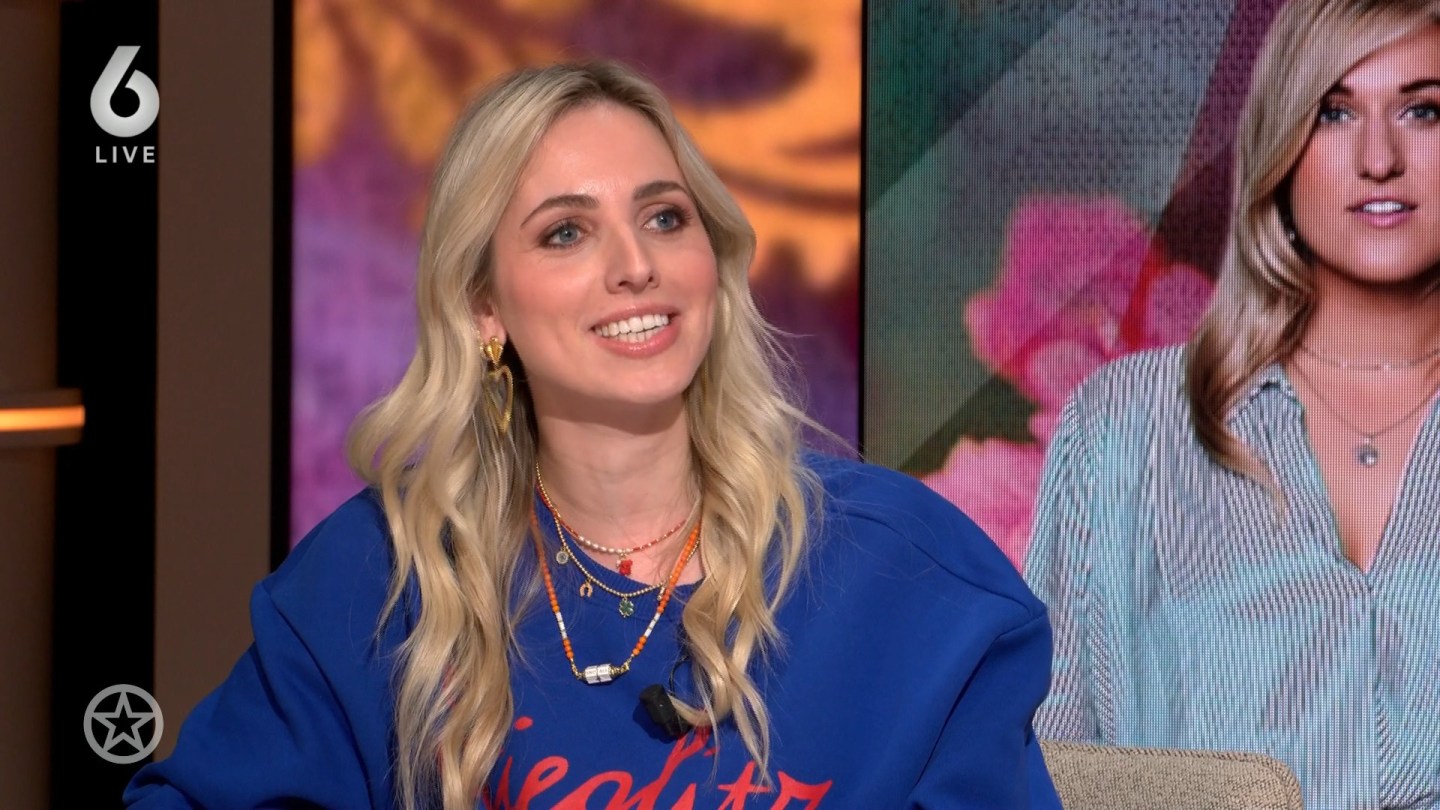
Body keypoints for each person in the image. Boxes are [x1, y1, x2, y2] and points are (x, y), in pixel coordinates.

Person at [125, 61, 1059, 809]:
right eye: (566, 233)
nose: (636, 265)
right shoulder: (381, 577)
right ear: (484, 307)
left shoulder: (916, 582)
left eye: (665, 217)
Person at [1024, 0, 1440, 807]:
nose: (1380, 158)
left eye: (1423, 110)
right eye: (1335, 112)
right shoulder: (1125, 427)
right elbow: (1043, 768)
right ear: (1282, 143)